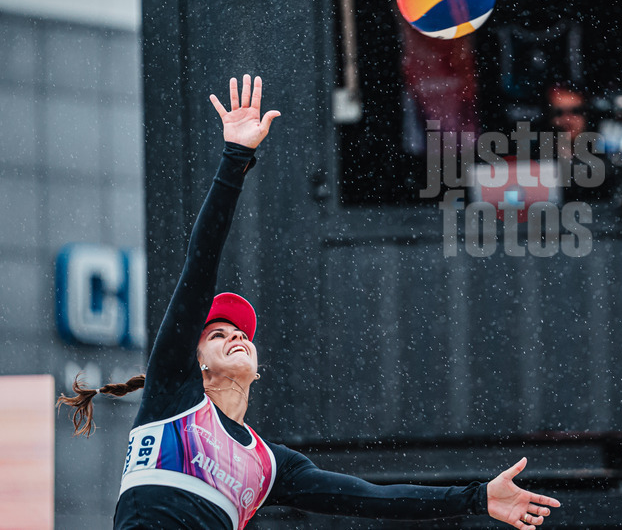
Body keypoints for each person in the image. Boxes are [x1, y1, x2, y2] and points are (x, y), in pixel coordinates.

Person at [56, 75, 560, 530]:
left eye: (240, 333)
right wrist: (235, 157)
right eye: (217, 334)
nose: (234, 335)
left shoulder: (272, 466)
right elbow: (200, 261)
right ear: (197, 365)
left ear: (258, 366)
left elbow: (373, 498)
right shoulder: (172, 395)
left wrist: (476, 498)